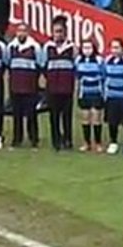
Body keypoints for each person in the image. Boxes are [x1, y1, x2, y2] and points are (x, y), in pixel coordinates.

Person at [7, 22, 44, 149]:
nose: (21, 33)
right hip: (15, 86)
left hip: (30, 87)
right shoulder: (11, 46)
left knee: (31, 115)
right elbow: (7, 63)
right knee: (16, 115)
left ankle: (34, 140)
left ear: (28, 32)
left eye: (23, 31)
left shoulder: (35, 47)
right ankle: (17, 139)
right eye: (19, 31)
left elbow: (40, 64)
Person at [42, 17, 76, 151]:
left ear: (65, 32)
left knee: (67, 116)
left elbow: (75, 65)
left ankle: (68, 139)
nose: (58, 34)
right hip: (52, 88)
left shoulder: (72, 47)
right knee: (54, 116)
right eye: (56, 31)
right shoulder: (47, 47)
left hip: (67, 88)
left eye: (60, 31)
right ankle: (56, 140)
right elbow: (44, 65)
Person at [75, 40, 105, 153]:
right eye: (85, 48)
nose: (87, 50)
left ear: (94, 48)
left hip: (96, 93)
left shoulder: (99, 60)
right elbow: (77, 77)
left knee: (96, 118)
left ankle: (98, 143)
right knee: (85, 118)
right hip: (84, 93)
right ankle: (86, 143)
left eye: (89, 48)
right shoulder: (78, 60)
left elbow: (103, 75)